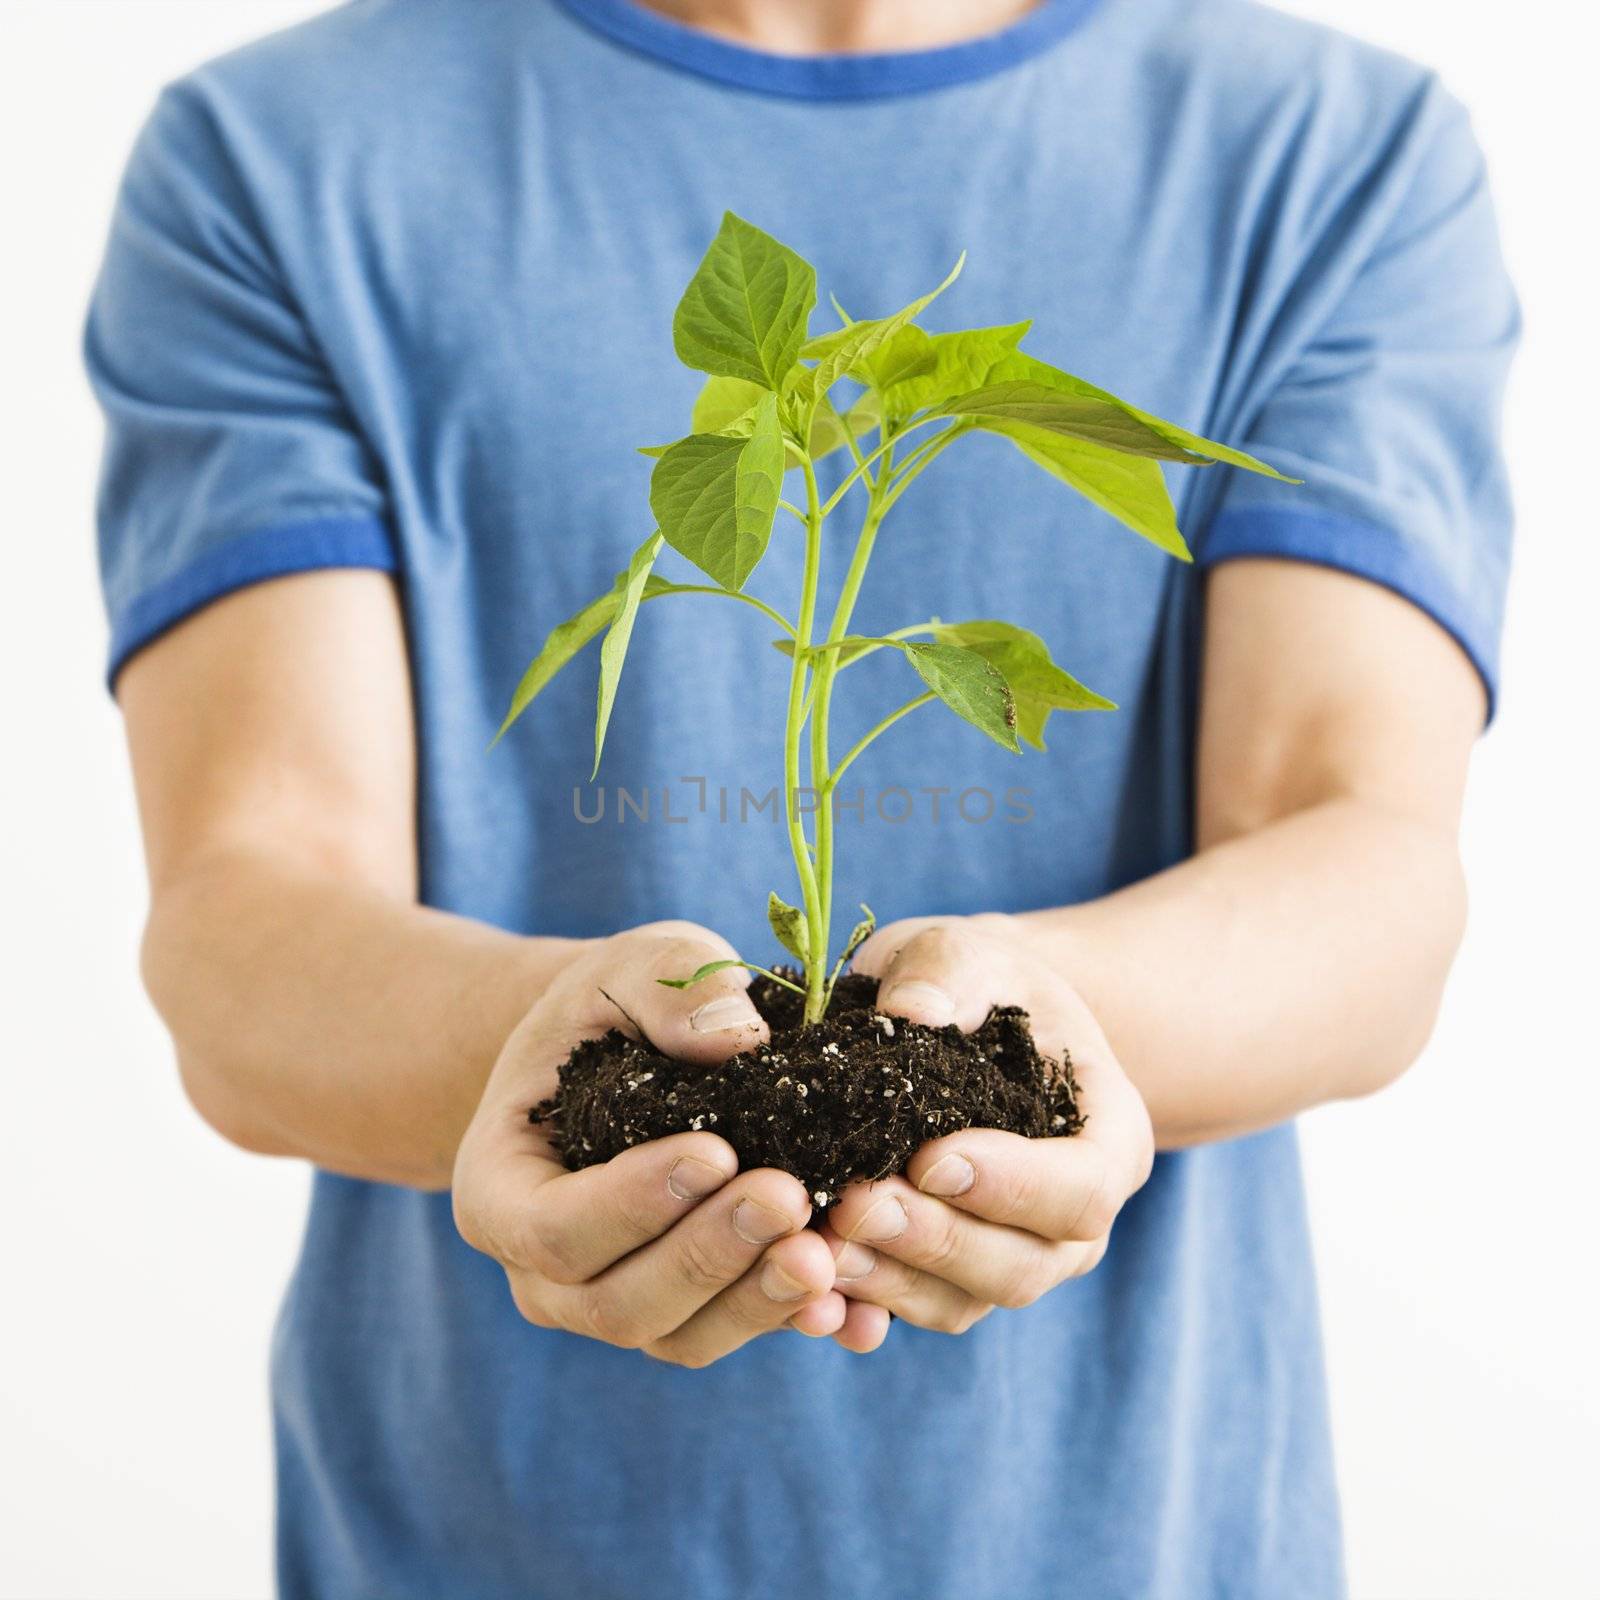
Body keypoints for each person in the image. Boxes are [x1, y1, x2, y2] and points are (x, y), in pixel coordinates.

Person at [86, 0, 1517, 1594]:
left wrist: (1019, 1037)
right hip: (478, 1540)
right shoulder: (280, 158)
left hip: (1134, 1543)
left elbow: (1368, 867)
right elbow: (246, 909)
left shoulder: (1326, 153)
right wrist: (551, 1045)